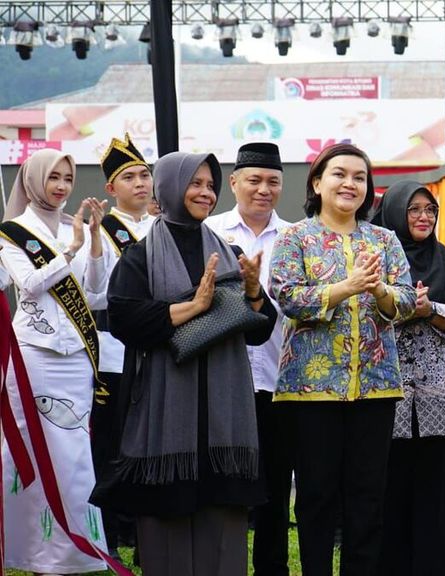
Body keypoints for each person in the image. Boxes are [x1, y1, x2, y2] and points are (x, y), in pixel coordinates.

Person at [91, 151, 277, 575]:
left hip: (223, 412)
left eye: (210, 185)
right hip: (165, 407)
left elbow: (258, 329)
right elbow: (125, 318)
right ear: (171, 188)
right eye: (195, 183)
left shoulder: (228, 253)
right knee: (168, 521)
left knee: (222, 524)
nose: (205, 193)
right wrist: (193, 307)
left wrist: (251, 291)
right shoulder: (140, 256)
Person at [270, 143, 417, 576]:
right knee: (316, 496)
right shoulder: (295, 237)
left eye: (359, 176)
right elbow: (287, 296)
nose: (349, 183)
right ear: (317, 182)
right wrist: (346, 287)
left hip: (375, 387)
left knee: (367, 497)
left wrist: (381, 291)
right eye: (339, 174)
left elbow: (406, 301)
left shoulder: (385, 240)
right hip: (309, 390)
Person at [0, 148, 109, 574]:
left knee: (76, 455)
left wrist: (95, 240)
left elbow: (98, 295)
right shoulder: (12, 232)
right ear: (33, 181)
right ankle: (28, 550)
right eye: (54, 177)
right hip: (35, 359)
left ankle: (77, 552)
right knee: (28, 451)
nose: (62, 186)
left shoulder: (73, 227)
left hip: (76, 358)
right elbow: (27, 283)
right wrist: (71, 250)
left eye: (67, 177)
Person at [205, 142, 293, 576]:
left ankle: (272, 567)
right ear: (235, 181)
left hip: (280, 377)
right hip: (224, 378)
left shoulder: (298, 236)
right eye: (254, 180)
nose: (263, 190)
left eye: (272, 181)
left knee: (276, 484)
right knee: (225, 479)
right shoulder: (210, 231)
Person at [374, 180, 445, 576]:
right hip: (385, 397)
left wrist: (429, 310)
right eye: (414, 209)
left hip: (437, 402)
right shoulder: (375, 258)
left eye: (430, 209)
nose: (424, 216)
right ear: (394, 212)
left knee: (437, 500)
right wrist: (395, 303)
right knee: (386, 498)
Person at [91, 132, 155, 563]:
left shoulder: (166, 226)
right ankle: (111, 533)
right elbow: (94, 295)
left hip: (160, 348)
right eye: (129, 177)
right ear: (111, 188)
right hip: (113, 352)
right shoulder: (95, 228)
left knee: (152, 442)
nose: (140, 183)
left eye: (145, 175)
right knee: (112, 444)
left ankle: (148, 533)